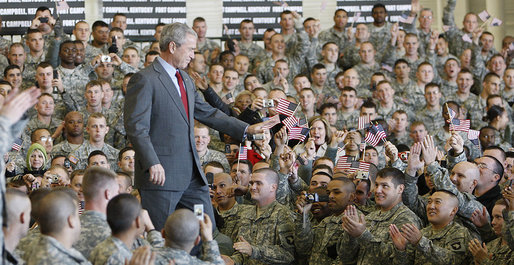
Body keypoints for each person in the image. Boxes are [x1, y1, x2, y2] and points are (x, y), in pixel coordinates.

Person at [124, 22, 266, 230]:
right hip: (160, 176)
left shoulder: (185, 79)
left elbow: (207, 112)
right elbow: (136, 127)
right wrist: (152, 162)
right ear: (173, 47)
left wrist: (245, 129)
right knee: (160, 236)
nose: (193, 56)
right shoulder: (144, 80)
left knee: (204, 227)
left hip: (192, 177)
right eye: (190, 49)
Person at [154, 209, 224, 265]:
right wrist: (208, 240)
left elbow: (155, 243)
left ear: (162, 233)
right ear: (197, 240)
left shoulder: (146, 257)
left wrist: (151, 230)